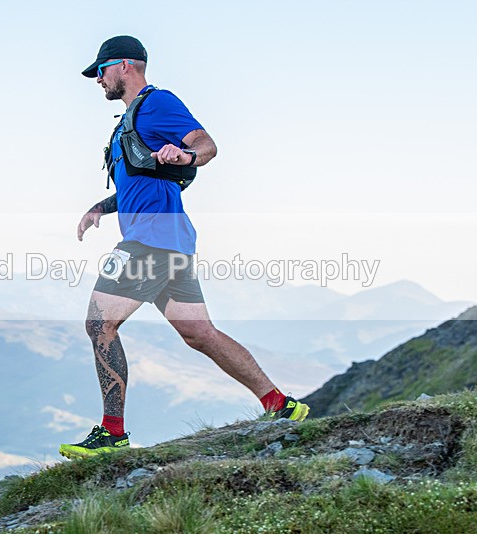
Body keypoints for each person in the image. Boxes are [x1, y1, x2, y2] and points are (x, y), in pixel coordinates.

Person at [59, 36, 309, 459]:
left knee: (99, 323)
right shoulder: (128, 122)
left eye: (101, 70)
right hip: (168, 240)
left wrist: (187, 156)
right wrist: (100, 207)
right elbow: (141, 181)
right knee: (199, 333)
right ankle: (280, 405)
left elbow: (206, 146)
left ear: (125, 65)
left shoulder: (158, 103)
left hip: (150, 242)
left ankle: (112, 434)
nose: (97, 79)